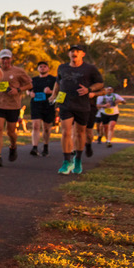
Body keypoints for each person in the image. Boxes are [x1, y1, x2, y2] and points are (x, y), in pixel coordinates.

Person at [55, 44, 104, 175]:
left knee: (80, 133)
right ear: (69, 54)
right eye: (71, 51)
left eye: (77, 51)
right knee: (65, 131)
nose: (73, 53)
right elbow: (58, 83)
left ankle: (77, 160)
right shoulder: (62, 67)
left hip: (82, 104)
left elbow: (100, 83)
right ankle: (66, 162)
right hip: (65, 104)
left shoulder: (90, 69)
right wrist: (54, 97)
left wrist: (89, 90)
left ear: (82, 54)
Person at [0, 48, 32, 166]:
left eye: (7, 58)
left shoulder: (19, 71)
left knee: (11, 132)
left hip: (13, 106)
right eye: (3, 59)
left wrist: (18, 90)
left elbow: (29, 84)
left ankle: (13, 146)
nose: (5, 61)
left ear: (11, 59)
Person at [28, 60, 57, 156]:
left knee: (46, 128)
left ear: (48, 68)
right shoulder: (33, 80)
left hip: (48, 105)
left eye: (44, 66)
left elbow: (59, 92)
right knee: (36, 126)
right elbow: (27, 90)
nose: (42, 68)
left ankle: (45, 146)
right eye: (40, 66)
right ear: (38, 69)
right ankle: (34, 147)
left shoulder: (53, 80)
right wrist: (30, 93)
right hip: (36, 105)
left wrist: (51, 92)